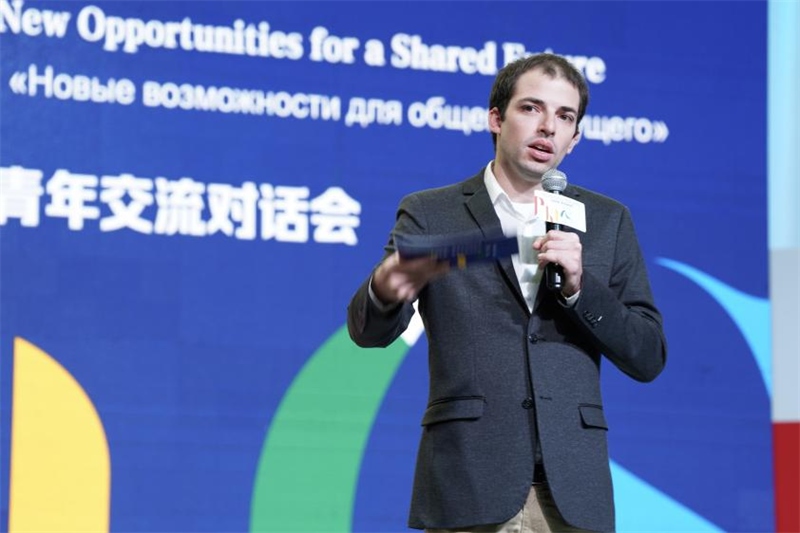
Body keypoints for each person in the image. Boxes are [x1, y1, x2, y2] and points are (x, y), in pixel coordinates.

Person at [347, 52, 667, 533]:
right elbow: (369, 332)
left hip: (573, 494)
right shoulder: (432, 213)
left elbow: (647, 355)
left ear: (575, 139)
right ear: (496, 119)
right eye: (531, 108)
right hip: (469, 482)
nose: (548, 128)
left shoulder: (607, 221)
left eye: (565, 117)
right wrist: (384, 288)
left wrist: (581, 290)